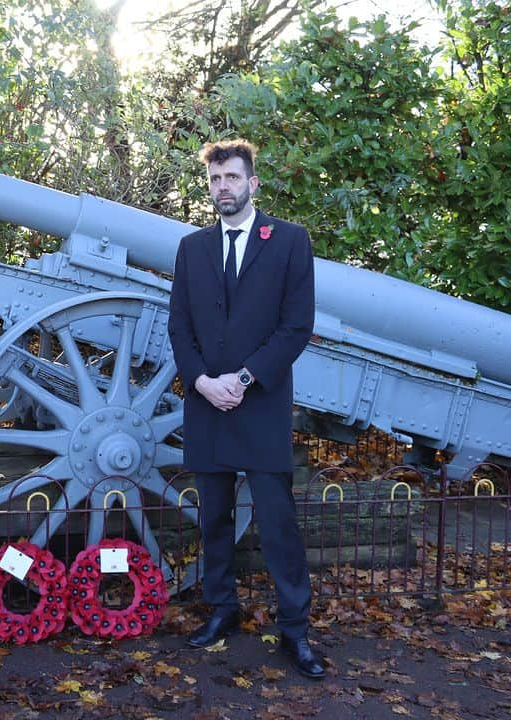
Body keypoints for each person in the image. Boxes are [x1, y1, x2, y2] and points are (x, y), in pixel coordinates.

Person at [167, 139, 325, 679]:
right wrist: (203, 382)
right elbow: (179, 327)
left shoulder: (288, 241)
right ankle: (221, 611)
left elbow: (296, 325)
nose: (223, 188)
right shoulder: (192, 247)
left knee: (278, 524)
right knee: (212, 519)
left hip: (260, 403)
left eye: (232, 178)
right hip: (208, 402)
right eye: (215, 180)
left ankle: (295, 631)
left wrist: (245, 377)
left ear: (252, 184)